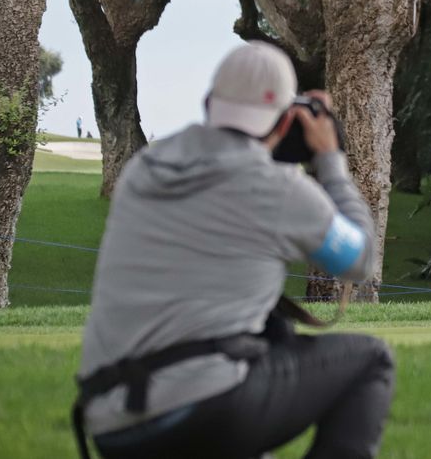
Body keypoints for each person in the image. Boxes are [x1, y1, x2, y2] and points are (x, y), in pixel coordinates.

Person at [72, 41, 394, 458]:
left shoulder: (144, 170)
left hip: (110, 420)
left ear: (209, 103)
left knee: (265, 346)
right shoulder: (280, 191)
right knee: (370, 360)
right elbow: (361, 260)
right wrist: (329, 160)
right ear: (284, 123)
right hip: (203, 409)